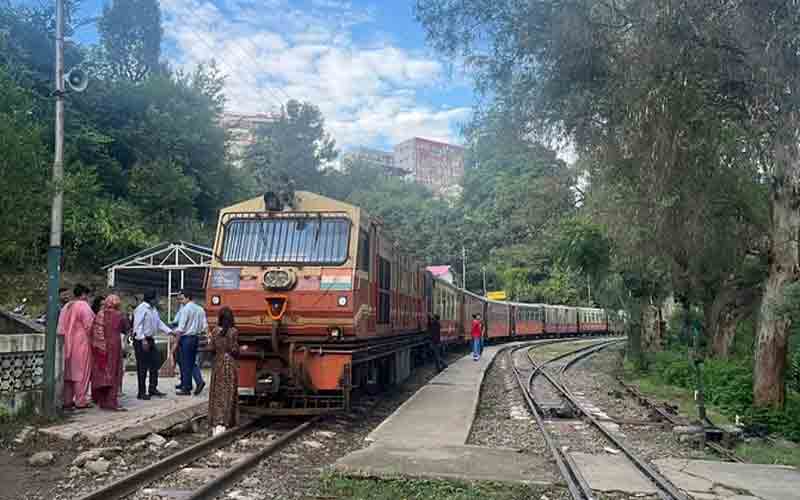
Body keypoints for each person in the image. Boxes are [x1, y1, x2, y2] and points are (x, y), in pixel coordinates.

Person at [57, 284, 95, 410]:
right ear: (84, 294)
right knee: (81, 372)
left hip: (65, 343)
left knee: (68, 374)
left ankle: (67, 401)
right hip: (81, 343)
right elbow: (90, 326)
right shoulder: (84, 306)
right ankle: (80, 400)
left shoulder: (66, 306)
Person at [90, 295, 129, 411]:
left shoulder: (99, 314)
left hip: (100, 347)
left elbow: (93, 330)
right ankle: (112, 402)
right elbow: (126, 328)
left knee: (102, 373)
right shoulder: (119, 315)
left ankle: (102, 401)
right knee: (114, 373)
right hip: (114, 346)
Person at [132, 290, 171, 400]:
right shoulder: (141, 309)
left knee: (155, 363)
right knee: (142, 366)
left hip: (150, 339)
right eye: (157, 298)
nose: (158, 300)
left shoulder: (153, 309)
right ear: (152, 299)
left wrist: (169, 331)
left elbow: (159, 323)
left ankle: (152, 388)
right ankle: (141, 392)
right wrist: (142, 338)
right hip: (141, 340)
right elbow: (137, 326)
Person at [207, 307, 239, 436]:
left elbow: (211, 348)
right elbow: (234, 349)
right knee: (228, 392)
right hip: (229, 365)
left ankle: (216, 422)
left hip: (218, 364)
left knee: (217, 393)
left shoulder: (214, 331)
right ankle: (226, 421)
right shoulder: (233, 332)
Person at [173, 291, 207, 396]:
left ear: (188, 298)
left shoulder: (186, 309)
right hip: (195, 338)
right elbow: (204, 326)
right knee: (191, 362)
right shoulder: (200, 309)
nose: (180, 301)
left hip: (186, 338)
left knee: (186, 363)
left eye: (182, 299)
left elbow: (181, 328)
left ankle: (187, 388)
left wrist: (175, 339)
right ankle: (196, 382)